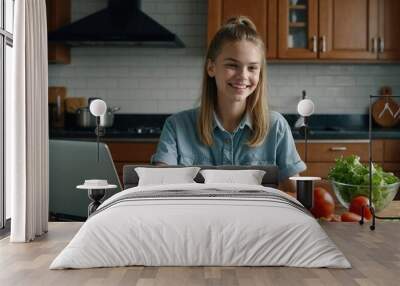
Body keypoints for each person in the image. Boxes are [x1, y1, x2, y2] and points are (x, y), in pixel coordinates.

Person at [151, 16, 306, 193]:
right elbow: (160, 190)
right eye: (232, 65)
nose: (243, 76)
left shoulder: (276, 126)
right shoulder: (176, 126)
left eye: (252, 68)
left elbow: (293, 192)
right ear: (211, 68)